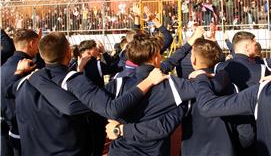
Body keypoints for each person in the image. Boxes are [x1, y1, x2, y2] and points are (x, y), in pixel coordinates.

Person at [16, 32, 169, 156]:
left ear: (42, 55)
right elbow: (111, 108)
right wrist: (148, 81)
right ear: (69, 52)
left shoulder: (23, 83)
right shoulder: (74, 81)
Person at [1, 29, 40, 156]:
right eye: (37, 43)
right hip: (29, 133)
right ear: (31, 43)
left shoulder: (3, 67)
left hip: (10, 130)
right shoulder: (31, 68)